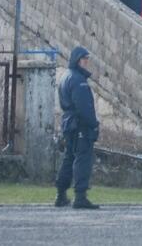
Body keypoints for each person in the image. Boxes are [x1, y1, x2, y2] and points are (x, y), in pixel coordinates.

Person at [55, 46, 100, 209]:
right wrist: (94, 124)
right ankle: (80, 196)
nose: (86, 62)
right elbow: (83, 107)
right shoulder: (77, 80)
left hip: (69, 123)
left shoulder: (66, 76)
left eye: (87, 59)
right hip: (79, 124)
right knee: (82, 159)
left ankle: (61, 194)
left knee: (69, 158)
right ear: (76, 60)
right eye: (83, 59)